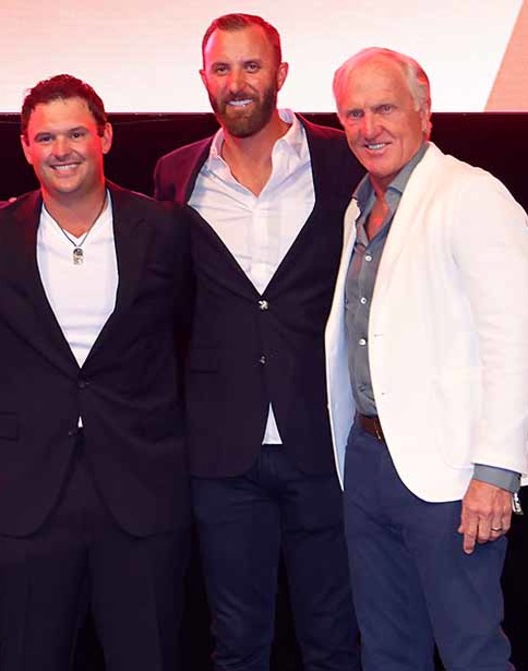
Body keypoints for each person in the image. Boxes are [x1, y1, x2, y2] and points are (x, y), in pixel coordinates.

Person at [0, 74, 195, 670]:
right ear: (25, 147)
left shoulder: (166, 230)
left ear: (105, 138)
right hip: (30, 492)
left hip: (143, 489)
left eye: (75, 134)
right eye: (45, 137)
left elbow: (197, 338)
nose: (61, 150)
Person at [152, 14, 361, 670]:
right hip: (221, 454)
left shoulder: (341, 157)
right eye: (221, 68)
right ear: (204, 80)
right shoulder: (176, 173)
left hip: (324, 444)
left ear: (281, 73)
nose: (236, 82)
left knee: (333, 638)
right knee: (237, 642)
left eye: (251, 66)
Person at [328, 47, 528, 670]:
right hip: (368, 462)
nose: (370, 128)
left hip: (452, 476)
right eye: (354, 113)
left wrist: (496, 471)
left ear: (425, 112)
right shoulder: (359, 209)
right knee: (388, 653)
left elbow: (515, 340)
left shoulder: (472, 195)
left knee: (472, 651)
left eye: (386, 108)